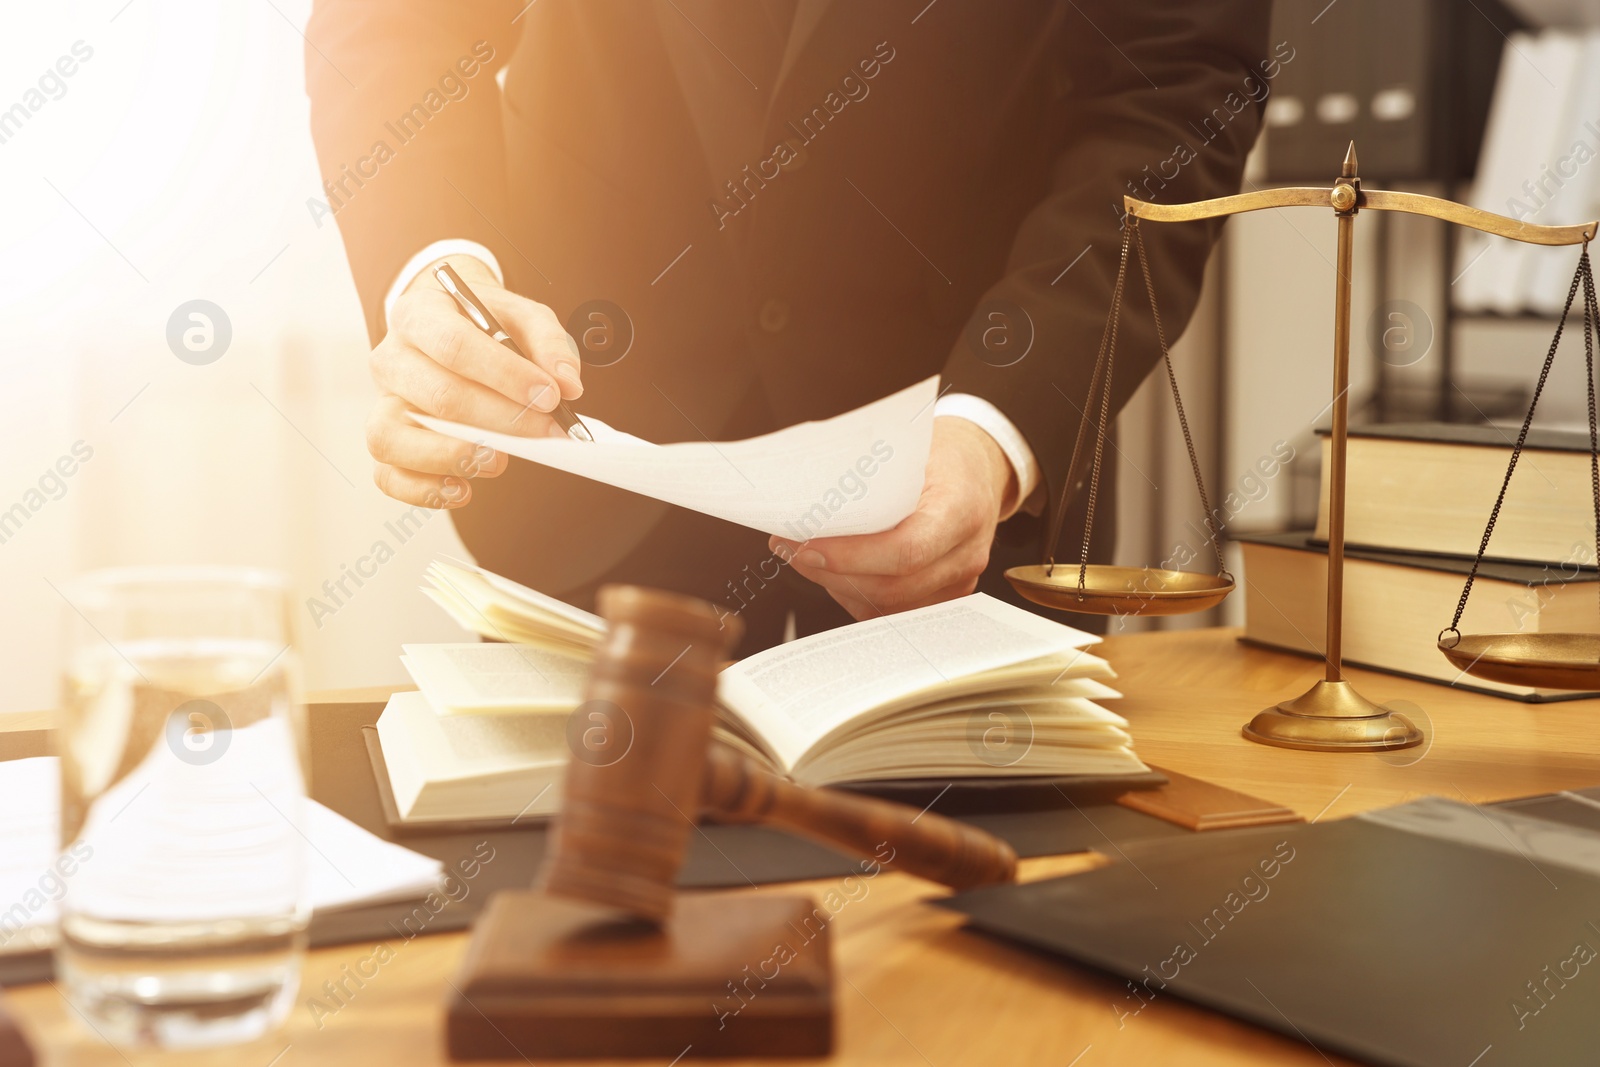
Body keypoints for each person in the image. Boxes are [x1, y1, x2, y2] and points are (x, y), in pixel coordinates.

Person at [306, 0, 1271, 656]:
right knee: (577, 939)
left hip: (963, 506)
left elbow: (1175, 80)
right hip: (593, 468)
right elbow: (399, 26)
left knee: (984, 943)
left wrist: (995, 426)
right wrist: (436, 268)